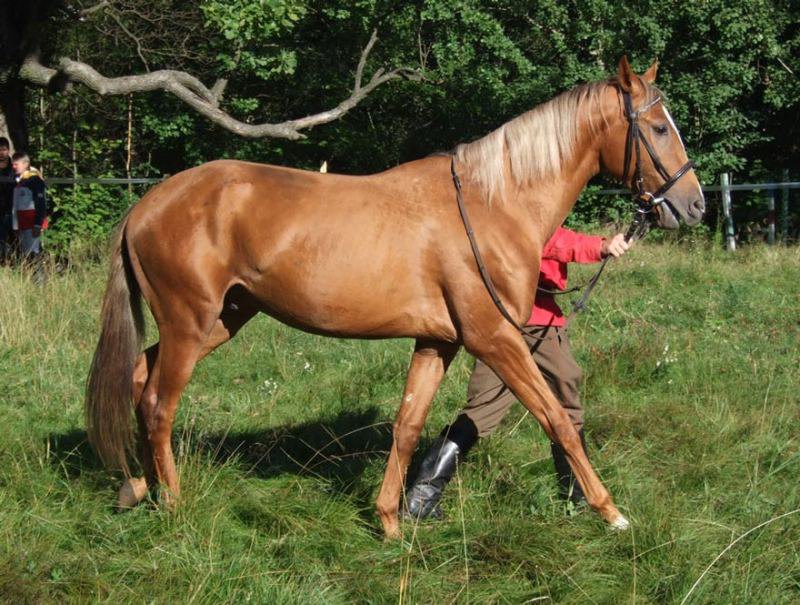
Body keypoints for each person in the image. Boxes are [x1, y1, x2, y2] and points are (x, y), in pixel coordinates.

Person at [404, 226, 631, 520]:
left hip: (512, 323)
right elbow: (542, 237)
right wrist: (600, 246)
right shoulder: (519, 199)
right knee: (498, 410)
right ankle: (421, 500)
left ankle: (576, 498)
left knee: (556, 403)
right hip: (520, 325)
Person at [11, 151, 47, 259]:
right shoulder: (20, 181)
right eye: (13, 164)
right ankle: (30, 275)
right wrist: (16, 226)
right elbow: (16, 207)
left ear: (26, 164)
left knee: (34, 252)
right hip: (22, 223)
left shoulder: (35, 180)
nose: (14, 166)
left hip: (32, 223)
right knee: (26, 253)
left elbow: (41, 203)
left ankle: (40, 275)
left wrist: (37, 224)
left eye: (16, 164)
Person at [0, 138, 15, 259]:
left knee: (16, 241)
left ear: (8, 150)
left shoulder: (16, 168)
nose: (1, 153)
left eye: (4, 150)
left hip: (14, 210)